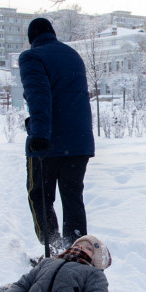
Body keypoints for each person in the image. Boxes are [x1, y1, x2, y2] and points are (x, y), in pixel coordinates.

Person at [19, 17, 95, 254]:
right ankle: (76, 252)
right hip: (79, 142)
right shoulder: (72, 55)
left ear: (32, 39)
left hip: (49, 143)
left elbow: (38, 97)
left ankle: (52, 250)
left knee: (40, 195)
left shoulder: (32, 57)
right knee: (73, 198)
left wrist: (39, 133)